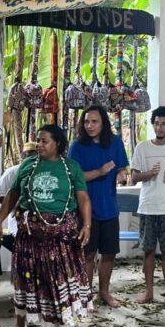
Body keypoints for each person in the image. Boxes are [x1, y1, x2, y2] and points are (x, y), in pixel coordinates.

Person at [0, 123, 93, 327]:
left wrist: (87, 225)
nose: (39, 144)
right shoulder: (28, 165)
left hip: (60, 238)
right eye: (38, 140)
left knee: (57, 282)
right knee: (24, 281)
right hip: (29, 236)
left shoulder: (71, 167)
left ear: (57, 143)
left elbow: (83, 198)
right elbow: (13, 194)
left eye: (44, 141)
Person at [68, 105, 129, 307]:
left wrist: (122, 175)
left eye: (94, 121)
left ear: (103, 123)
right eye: (86, 121)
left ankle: (104, 292)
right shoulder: (77, 146)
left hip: (109, 208)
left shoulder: (115, 142)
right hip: (85, 211)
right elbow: (74, 178)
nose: (90, 125)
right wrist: (100, 172)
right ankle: (85, 296)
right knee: (87, 255)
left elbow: (121, 168)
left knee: (109, 253)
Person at [131, 106, 165, 309]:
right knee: (148, 251)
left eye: (164, 124)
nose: (159, 127)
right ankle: (148, 292)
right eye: (156, 123)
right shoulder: (142, 148)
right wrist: (149, 174)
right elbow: (134, 177)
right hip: (148, 207)